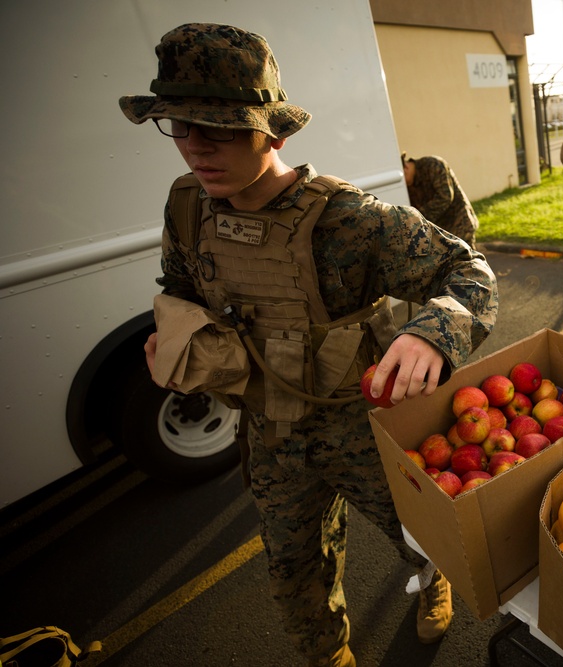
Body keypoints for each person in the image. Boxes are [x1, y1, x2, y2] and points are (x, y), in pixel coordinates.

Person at [120, 23, 499, 667]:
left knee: (418, 537)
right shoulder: (186, 206)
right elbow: (180, 283)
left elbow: (469, 273)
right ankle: (330, 657)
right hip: (269, 429)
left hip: (362, 425)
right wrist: (179, 341)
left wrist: (431, 332)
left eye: (219, 127)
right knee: (293, 566)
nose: (195, 148)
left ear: (274, 130)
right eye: (179, 126)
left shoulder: (352, 218)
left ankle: (431, 580)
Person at [402, 153, 480, 249]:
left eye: (403, 179)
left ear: (406, 167)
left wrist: (418, 217)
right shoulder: (409, 186)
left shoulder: (433, 165)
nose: (404, 184)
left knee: (469, 262)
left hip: (460, 225)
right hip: (441, 236)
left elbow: (445, 197)